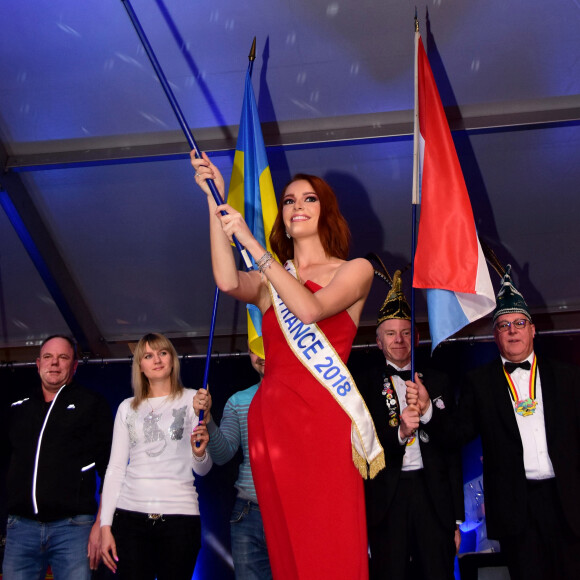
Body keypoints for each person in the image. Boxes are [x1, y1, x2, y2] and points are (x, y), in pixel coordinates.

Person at [191, 151, 384, 579]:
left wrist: (253, 245)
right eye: (290, 200)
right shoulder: (271, 278)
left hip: (324, 418)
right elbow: (226, 280)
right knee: (287, 550)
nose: (297, 206)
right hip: (272, 422)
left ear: (326, 210)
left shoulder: (356, 269)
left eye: (309, 199)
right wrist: (213, 199)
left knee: (328, 542)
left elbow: (310, 309)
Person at [425, 265, 580, 580]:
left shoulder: (567, 376)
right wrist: (429, 410)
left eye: (519, 323)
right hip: (516, 510)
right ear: (495, 334)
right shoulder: (479, 383)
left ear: (532, 329)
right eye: (504, 325)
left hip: (568, 504)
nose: (513, 330)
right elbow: (457, 432)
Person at [355, 269, 463, 580]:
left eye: (405, 332)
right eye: (390, 333)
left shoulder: (440, 380)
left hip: (434, 498)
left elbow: (453, 447)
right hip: (387, 498)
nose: (399, 340)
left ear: (416, 336)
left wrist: (429, 410)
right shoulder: (364, 386)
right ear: (378, 341)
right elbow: (362, 448)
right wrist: (400, 433)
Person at [100, 332, 212, 580]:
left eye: (162, 352)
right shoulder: (127, 408)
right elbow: (116, 468)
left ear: (172, 359)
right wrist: (105, 525)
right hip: (130, 516)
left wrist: (200, 452)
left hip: (180, 516)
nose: (157, 359)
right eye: (148, 355)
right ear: (140, 365)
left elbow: (203, 469)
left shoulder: (195, 400)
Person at [2, 335, 113, 580]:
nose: (54, 363)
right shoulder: (18, 407)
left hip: (73, 529)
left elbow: (109, 469)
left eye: (63, 357)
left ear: (74, 365)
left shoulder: (91, 404)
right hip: (21, 528)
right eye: (48, 357)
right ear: (37, 363)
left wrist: (101, 525)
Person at [194, 347, 272, 580]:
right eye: (254, 350)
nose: (261, 356)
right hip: (248, 514)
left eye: (267, 345)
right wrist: (207, 421)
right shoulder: (238, 401)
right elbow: (223, 454)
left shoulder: (305, 395)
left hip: (294, 514)